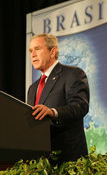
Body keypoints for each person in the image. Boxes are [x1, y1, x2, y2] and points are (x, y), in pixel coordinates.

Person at [27, 33, 90, 163]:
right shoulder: (33, 88)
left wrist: (53, 112)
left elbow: (80, 106)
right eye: (31, 51)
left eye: (37, 49)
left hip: (68, 159)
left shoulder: (72, 74)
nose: (33, 55)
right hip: (40, 162)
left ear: (52, 51)